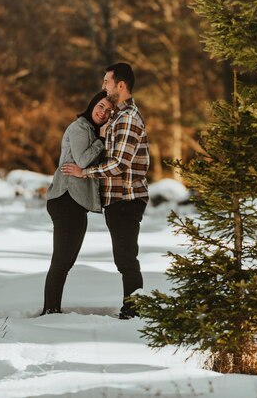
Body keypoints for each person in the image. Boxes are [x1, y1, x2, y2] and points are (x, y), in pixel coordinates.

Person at [62, 63, 149, 320]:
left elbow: (120, 164)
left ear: (120, 85)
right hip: (116, 199)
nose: (103, 86)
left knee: (126, 258)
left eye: (106, 81)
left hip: (127, 198)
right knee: (123, 257)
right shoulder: (118, 116)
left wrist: (84, 172)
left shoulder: (128, 118)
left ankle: (133, 311)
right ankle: (133, 308)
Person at [41, 91, 113, 315]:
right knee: (61, 262)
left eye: (109, 111)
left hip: (75, 203)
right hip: (65, 199)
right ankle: (50, 311)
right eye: (100, 106)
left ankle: (53, 309)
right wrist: (101, 140)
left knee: (66, 261)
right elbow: (82, 160)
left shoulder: (91, 130)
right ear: (92, 104)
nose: (103, 112)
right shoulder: (80, 128)